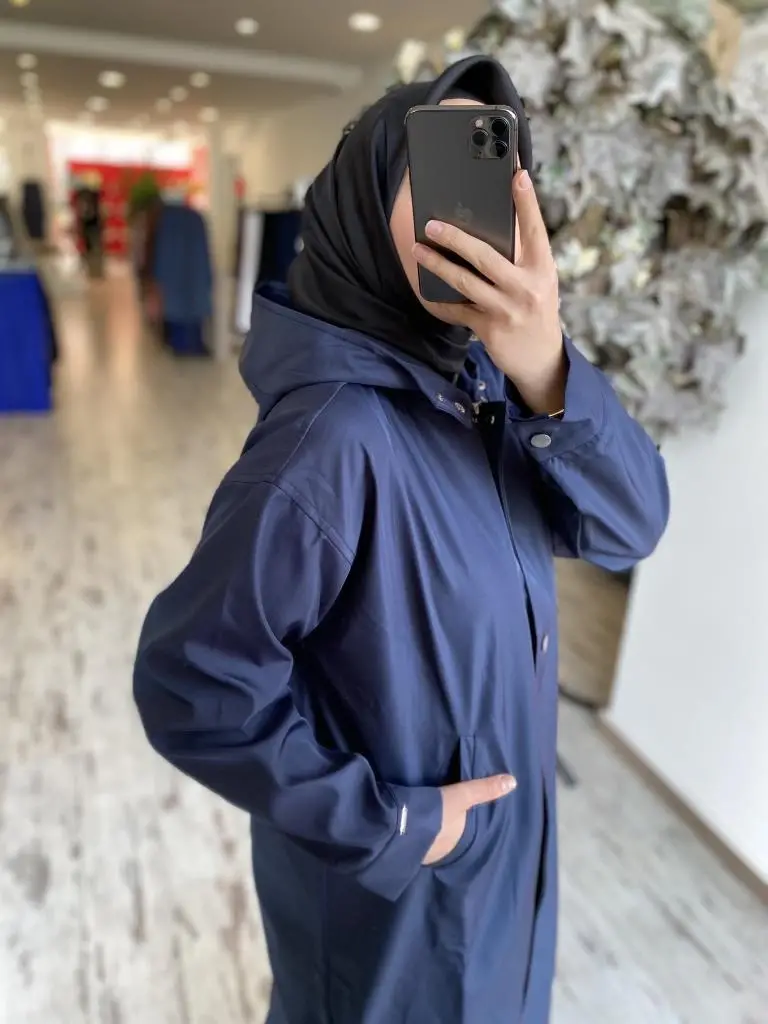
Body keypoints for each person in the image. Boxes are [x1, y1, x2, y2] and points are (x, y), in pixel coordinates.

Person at [133, 55, 669, 1024]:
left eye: (496, 164)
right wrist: (401, 824)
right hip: (397, 915)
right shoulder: (329, 441)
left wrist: (548, 366)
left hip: (501, 876)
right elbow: (191, 687)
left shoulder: (491, 391)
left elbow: (629, 527)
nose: (472, 204)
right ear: (365, 196)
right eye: (436, 162)